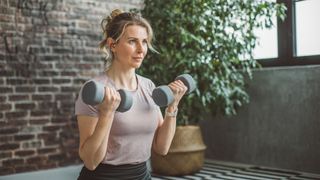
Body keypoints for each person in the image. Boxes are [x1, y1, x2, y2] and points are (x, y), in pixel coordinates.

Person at [75, 9, 187, 180]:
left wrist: (173, 105)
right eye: (133, 41)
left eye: (144, 42)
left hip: (142, 175)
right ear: (113, 45)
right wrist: (107, 114)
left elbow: (162, 148)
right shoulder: (94, 90)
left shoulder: (148, 86)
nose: (141, 49)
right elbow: (90, 161)